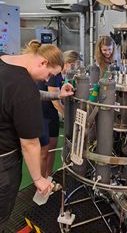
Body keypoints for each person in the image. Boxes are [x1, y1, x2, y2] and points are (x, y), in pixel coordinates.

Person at [0, 40, 73, 231]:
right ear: (43, 63)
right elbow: (30, 144)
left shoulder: (4, 61)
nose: (48, 79)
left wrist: (57, 96)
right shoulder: (24, 84)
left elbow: (26, 94)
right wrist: (39, 179)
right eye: (50, 74)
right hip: (3, 164)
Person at [38, 50, 81, 178]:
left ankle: (49, 178)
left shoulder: (61, 76)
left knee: (51, 150)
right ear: (67, 63)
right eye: (74, 66)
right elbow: (56, 102)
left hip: (51, 116)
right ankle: (41, 183)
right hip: (43, 116)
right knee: (44, 152)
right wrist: (70, 119)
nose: (75, 70)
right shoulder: (54, 76)